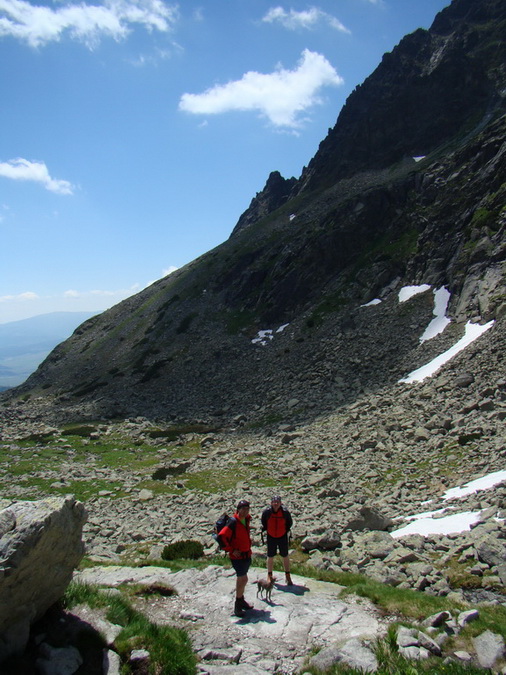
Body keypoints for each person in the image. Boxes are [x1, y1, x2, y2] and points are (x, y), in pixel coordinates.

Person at [218, 499, 253, 617]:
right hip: (237, 556)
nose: (246, 511)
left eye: (247, 509)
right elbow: (222, 536)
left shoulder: (246, 520)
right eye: (243, 509)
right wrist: (231, 550)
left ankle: (241, 600)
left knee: (244, 579)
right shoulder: (233, 522)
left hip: (246, 554)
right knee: (242, 579)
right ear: (238, 509)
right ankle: (238, 606)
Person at [261, 495, 293, 585]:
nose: (275, 504)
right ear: (271, 503)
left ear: (280, 503)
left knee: (285, 555)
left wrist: (284, 531)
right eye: (274, 502)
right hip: (271, 536)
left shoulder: (285, 512)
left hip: (282, 536)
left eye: (277, 502)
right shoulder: (267, 512)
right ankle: (269, 575)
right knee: (270, 556)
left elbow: (289, 523)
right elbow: (263, 522)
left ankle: (288, 576)